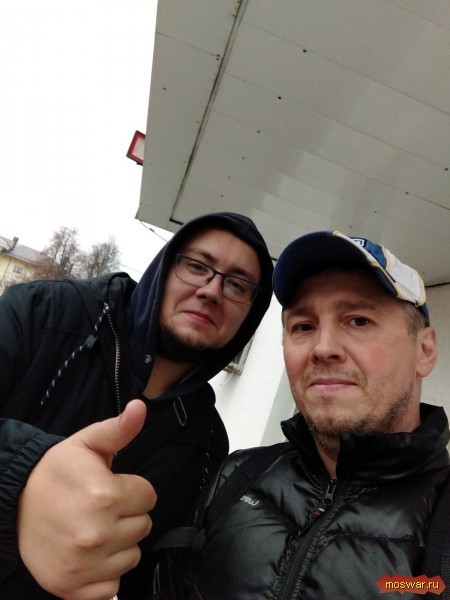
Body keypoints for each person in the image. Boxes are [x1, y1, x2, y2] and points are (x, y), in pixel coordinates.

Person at [155, 230, 450, 599]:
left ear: (424, 351)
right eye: (304, 327)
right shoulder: (235, 476)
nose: (323, 348)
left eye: (359, 321)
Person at [0, 211, 274, 600]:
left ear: (251, 313)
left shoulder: (208, 443)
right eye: (197, 266)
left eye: (237, 285)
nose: (212, 291)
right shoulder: (45, 313)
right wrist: (21, 481)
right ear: (164, 267)